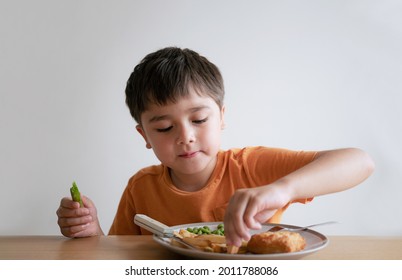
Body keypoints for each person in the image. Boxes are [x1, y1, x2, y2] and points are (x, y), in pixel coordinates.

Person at [56, 47, 374, 247]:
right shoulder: (141, 188)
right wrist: (92, 234)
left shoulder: (252, 166)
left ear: (221, 117)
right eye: (165, 127)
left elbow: (360, 162)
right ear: (144, 136)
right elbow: (119, 257)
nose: (185, 136)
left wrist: (282, 190)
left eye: (198, 119)